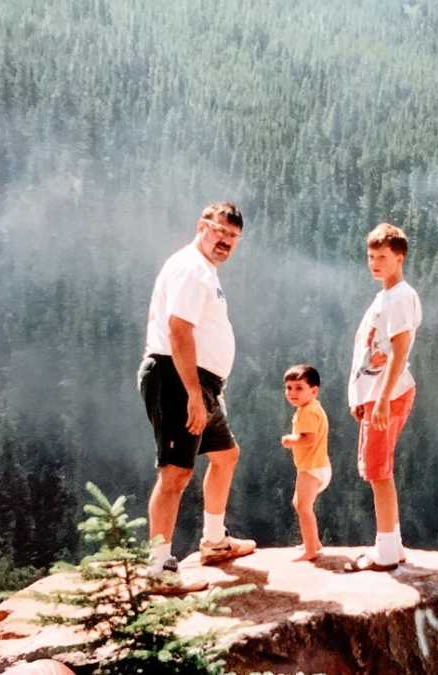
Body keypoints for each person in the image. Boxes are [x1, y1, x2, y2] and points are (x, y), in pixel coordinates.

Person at [137, 201, 255, 586]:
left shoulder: (203, 269)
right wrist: (192, 391)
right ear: (202, 226)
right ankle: (158, 568)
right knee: (176, 471)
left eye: (233, 237)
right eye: (219, 232)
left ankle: (215, 541)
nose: (225, 242)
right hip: (176, 378)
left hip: (198, 383)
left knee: (225, 456)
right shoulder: (191, 268)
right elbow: (179, 330)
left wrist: (208, 390)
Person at [345, 223, 422, 572]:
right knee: (377, 468)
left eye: (383, 257)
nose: (374, 263)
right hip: (377, 397)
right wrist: (359, 395)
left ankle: (387, 550)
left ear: (399, 258)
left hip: (387, 397)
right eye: (371, 256)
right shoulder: (385, 296)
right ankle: (392, 544)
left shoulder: (401, 296)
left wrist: (380, 400)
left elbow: (400, 350)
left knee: (379, 471)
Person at [280, 364, 331, 562]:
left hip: (311, 468)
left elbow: (308, 438)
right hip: (320, 466)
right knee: (300, 503)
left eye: (299, 388)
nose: (292, 393)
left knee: (303, 507)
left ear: (314, 390)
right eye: (289, 388)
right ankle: (314, 542)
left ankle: (311, 550)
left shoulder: (306, 412)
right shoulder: (313, 406)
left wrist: (289, 440)